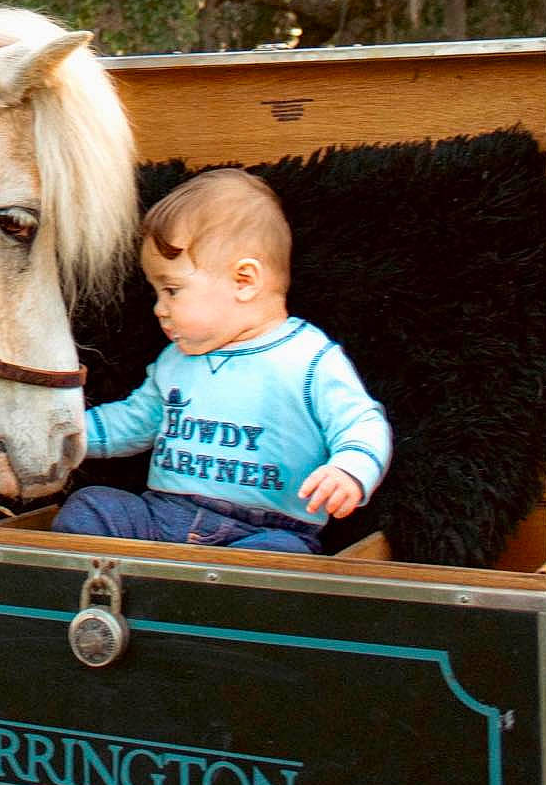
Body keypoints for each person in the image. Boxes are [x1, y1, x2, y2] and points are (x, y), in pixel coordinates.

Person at [52, 167, 391, 553]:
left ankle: (206, 608)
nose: (159, 309)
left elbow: (361, 422)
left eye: (172, 290)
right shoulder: (174, 362)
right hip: (162, 517)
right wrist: (64, 435)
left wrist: (350, 470)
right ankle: (99, 599)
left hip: (265, 532)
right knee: (91, 507)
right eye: (157, 293)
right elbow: (132, 421)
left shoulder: (308, 357)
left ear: (244, 281)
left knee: (283, 562)